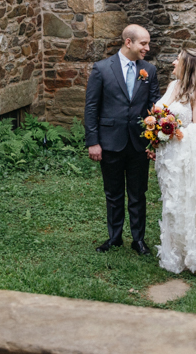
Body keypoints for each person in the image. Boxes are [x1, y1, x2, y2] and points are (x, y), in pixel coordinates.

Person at [84, 23, 160, 255]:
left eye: (147, 43)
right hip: (110, 142)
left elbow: (154, 108)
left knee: (138, 194)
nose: (147, 48)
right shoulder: (102, 69)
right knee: (113, 193)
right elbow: (91, 108)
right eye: (143, 43)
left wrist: (154, 141)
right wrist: (93, 141)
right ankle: (114, 237)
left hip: (138, 143)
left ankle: (138, 240)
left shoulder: (149, 70)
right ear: (129, 42)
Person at [152, 48, 196, 274]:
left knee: (186, 201)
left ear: (188, 65)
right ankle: (174, 253)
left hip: (185, 157)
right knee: (171, 202)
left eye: (178, 60)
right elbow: (159, 110)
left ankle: (194, 254)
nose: (173, 62)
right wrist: (155, 129)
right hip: (167, 157)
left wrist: (172, 130)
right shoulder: (173, 86)